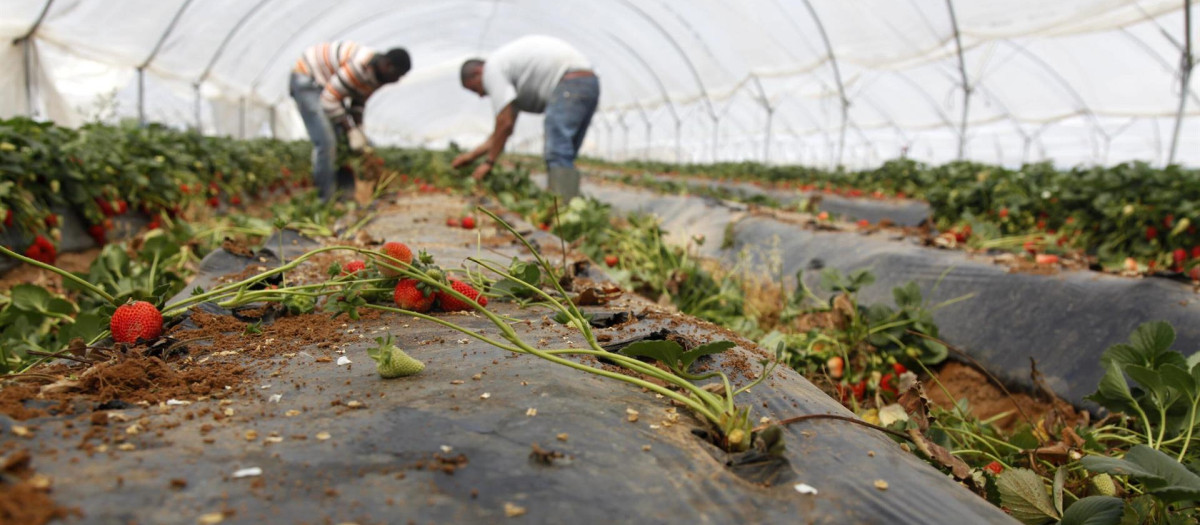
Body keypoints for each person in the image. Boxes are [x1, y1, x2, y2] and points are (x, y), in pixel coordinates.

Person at [452, 35, 599, 199]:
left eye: (475, 89)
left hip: (569, 83)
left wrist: (489, 163)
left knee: (557, 153)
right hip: (589, 83)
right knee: (565, 154)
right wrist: (470, 157)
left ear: (478, 73)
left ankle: (561, 208)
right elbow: (502, 132)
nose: (480, 95)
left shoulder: (492, 70)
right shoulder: (508, 73)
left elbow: (504, 123)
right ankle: (568, 206)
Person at [290, 41, 410, 202]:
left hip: (326, 86)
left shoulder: (378, 77)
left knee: (344, 145)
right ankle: (325, 201)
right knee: (326, 142)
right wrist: (350, 130)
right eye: (398, 74)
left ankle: (344, 197)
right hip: (308, 79)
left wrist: (359, 129)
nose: (397, 80)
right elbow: (329, 99)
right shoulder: (359, 66)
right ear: (388, 65)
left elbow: (358, 104)